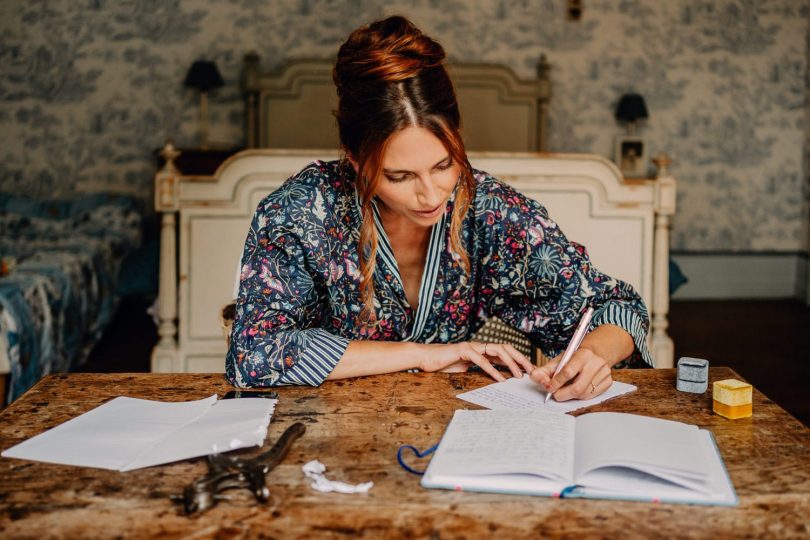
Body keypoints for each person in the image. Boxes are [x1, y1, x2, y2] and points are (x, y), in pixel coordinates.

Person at [226, 15, 652, 401]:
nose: (431, 196)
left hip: (452, 435)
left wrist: (594, 354)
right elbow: (257, 352)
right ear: (354, 160)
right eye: (399, 177)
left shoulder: (490, 211)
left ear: (458, 139)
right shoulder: (300, 214)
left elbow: (619, 309)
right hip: (323, 440)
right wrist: (425, 354)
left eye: (444, 165)